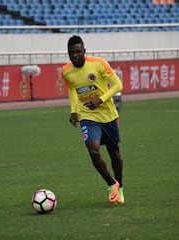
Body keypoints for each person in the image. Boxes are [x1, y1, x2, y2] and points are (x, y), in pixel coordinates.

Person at [62, 35, 124, 204]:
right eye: (71, 53)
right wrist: (74, 110)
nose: (74, 56)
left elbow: (118, 85)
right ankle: (111, 184)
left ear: (84, 51)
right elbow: (73, 90)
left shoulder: (99, 64)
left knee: (115, 154)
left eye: (77, 52)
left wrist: (100, 100)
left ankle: (121, 185)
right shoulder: (67, 71)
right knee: (93, 150)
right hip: (87, 116)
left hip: (108, 115)